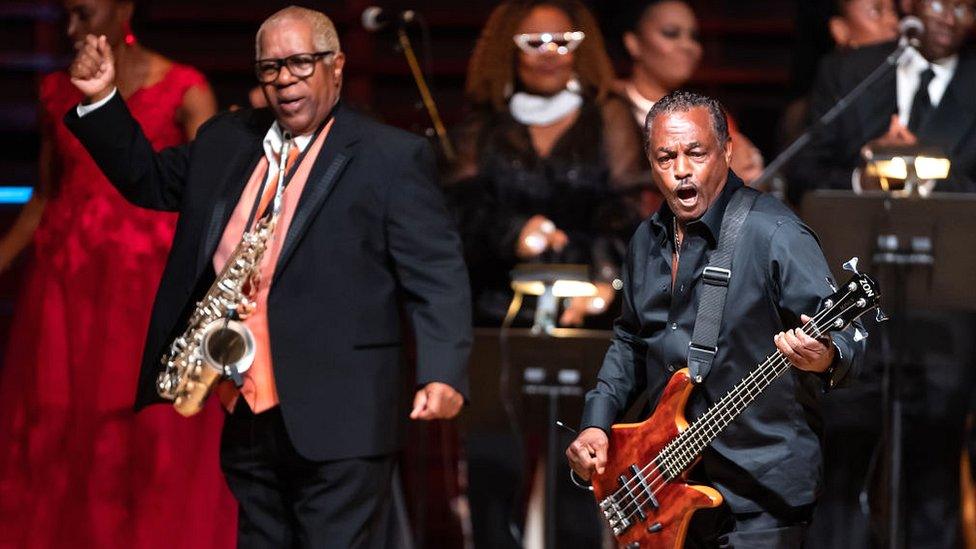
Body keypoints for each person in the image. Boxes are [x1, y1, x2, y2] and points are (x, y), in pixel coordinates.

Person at [62, 5, 472, 547]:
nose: (284, 81)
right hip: (247, 410)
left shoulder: (390, 157)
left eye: (300, 63)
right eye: (270, 68)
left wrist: (442, 371)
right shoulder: (225, 139)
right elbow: (148, 181)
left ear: (338, 65)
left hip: (345, 413)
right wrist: (101, 101)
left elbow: (437, 272)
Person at [566, 91, 866, 546]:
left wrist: (822, 356)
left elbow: (849, 336)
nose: (681, 169)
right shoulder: (646, 240)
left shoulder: (775, 233)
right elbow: (630, 340)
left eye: (696, 153)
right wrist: (597, 420)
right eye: (665, 157)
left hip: (760, 491)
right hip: (665, 486)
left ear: (726, 150)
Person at [0, 0, 232, 546]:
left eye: (84, 13)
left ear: (123, 9)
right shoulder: (54, 90)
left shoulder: (184, 87)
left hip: (143, 283)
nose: (72, 29)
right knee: (56, 424)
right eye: (66, 16)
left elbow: (213, 194)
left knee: (151, 430)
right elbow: (46, 194)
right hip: (67, 284)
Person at [790, 2, 976, 546]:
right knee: (841, 467)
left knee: (932, 470)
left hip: (946, 312)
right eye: (938, 0)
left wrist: (919, 170)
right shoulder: (852, 71)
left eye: (966, 5)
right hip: (851, 304)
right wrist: (864, 173)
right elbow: (804, 169)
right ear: (907, 7)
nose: (950, 15)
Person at [448, 0, 645, 330]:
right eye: (534, 43)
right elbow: (457, 209)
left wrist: (608, 275)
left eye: (564, 42)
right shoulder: (484, 123)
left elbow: (631, 209)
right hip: (496, 311)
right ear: (508, 50)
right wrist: (511, 231)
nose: (550, 52)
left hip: (590, 305)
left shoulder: (609, 116)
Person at [788, 0, 976, 204]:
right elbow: (802, 172)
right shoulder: (846, 71)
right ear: (908, 4)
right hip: (854, 227)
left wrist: (922, 174)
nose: (949, 20)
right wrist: (862, 180)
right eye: (937, 5)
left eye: (962, 8)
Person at [617, 0, 766, 185]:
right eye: (671, 33)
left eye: (694, 37)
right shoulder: (608, 104)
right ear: (633, 42)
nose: (687, 45)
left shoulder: (710, 114)